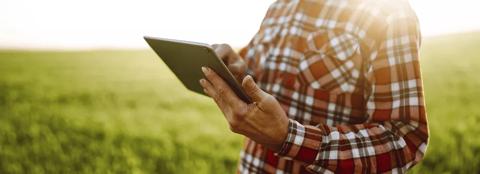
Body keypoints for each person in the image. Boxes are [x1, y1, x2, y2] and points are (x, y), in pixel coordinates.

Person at [199, 0, 429, 173]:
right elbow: (264, 82)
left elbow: (405, 139)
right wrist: (240, 73)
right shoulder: (280, 7)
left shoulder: (389, 14)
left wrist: (288, 137)